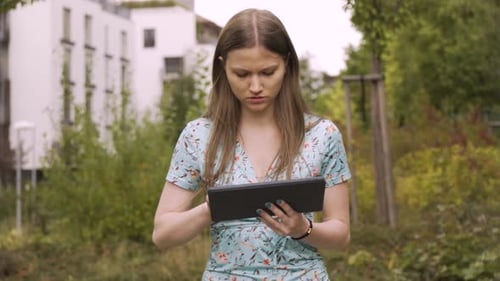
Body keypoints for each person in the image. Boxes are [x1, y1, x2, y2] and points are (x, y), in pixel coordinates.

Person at [152, 8, 351, 280]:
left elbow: (341, 233)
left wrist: (303, 228)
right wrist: (210, 210)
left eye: (268, 72)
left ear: (287, 65)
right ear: (223, 67)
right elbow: (162, 234)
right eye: (242, 74)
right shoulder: (198, 136)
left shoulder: (322, 134)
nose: (255, 86)